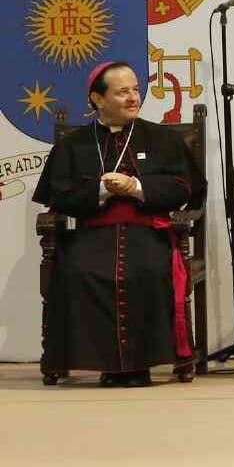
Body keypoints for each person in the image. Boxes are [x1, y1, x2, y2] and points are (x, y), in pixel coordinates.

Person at [33, 61, 206, 387]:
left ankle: (142, 364)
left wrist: (137, 188)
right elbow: (57, 196)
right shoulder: (74, 145)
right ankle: (100, 363)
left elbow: (186, 188)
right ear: (97, 99)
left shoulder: (162, 138)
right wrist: (100, 190)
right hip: (91, 234)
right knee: (78, 271)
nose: (133, 98)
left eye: (135, 90)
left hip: (148, 231)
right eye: (122, 91)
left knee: (148, 270)